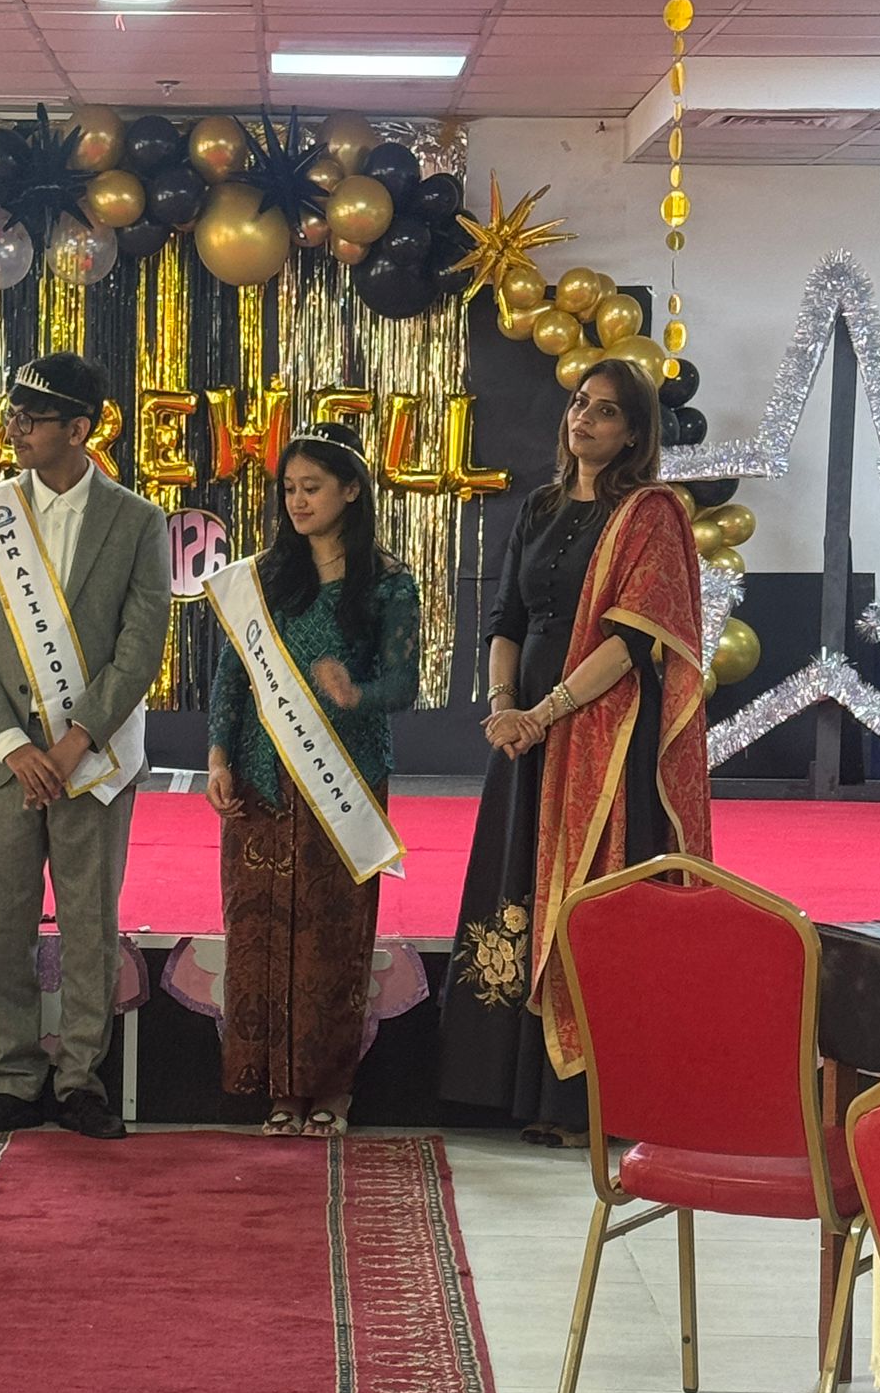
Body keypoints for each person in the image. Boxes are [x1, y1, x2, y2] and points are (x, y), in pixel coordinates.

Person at [439, 359, 710, 1144]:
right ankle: (502, 1089)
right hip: (525, 735)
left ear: (633, 434)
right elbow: (506, 619)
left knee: (590, 901)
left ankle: (581, 1102)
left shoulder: (651, 515)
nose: (582, 418)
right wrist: (504, 709)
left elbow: (631, 642)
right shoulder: (542, 506)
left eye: (604, 411)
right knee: (517, 891)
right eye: (579, 403)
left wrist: (546, 713)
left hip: (604, 737)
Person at [0, 352, 171, 1141]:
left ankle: (79, 1082)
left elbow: (140, 645)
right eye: (13, 416)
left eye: (33, 420)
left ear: (80, 429)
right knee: (2, 922)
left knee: (88, 924)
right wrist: (13, 744)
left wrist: (76, 741)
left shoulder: (137, 521)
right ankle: (12, 1079)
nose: (16, 431)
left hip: (92, 760)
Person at [206, 423, 420, 1138]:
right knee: (259, 932)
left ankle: (331, 1089)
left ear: (351, 491)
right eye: (290, 489)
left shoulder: (387, 584)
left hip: (343, 779)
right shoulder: (263, 580)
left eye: (313, 488)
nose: (298, 502)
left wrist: (356, 694)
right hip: (260, 780)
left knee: (332, 937)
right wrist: (218, 758)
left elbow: (403, 684)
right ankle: (275, 1089)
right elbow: (232, 676)